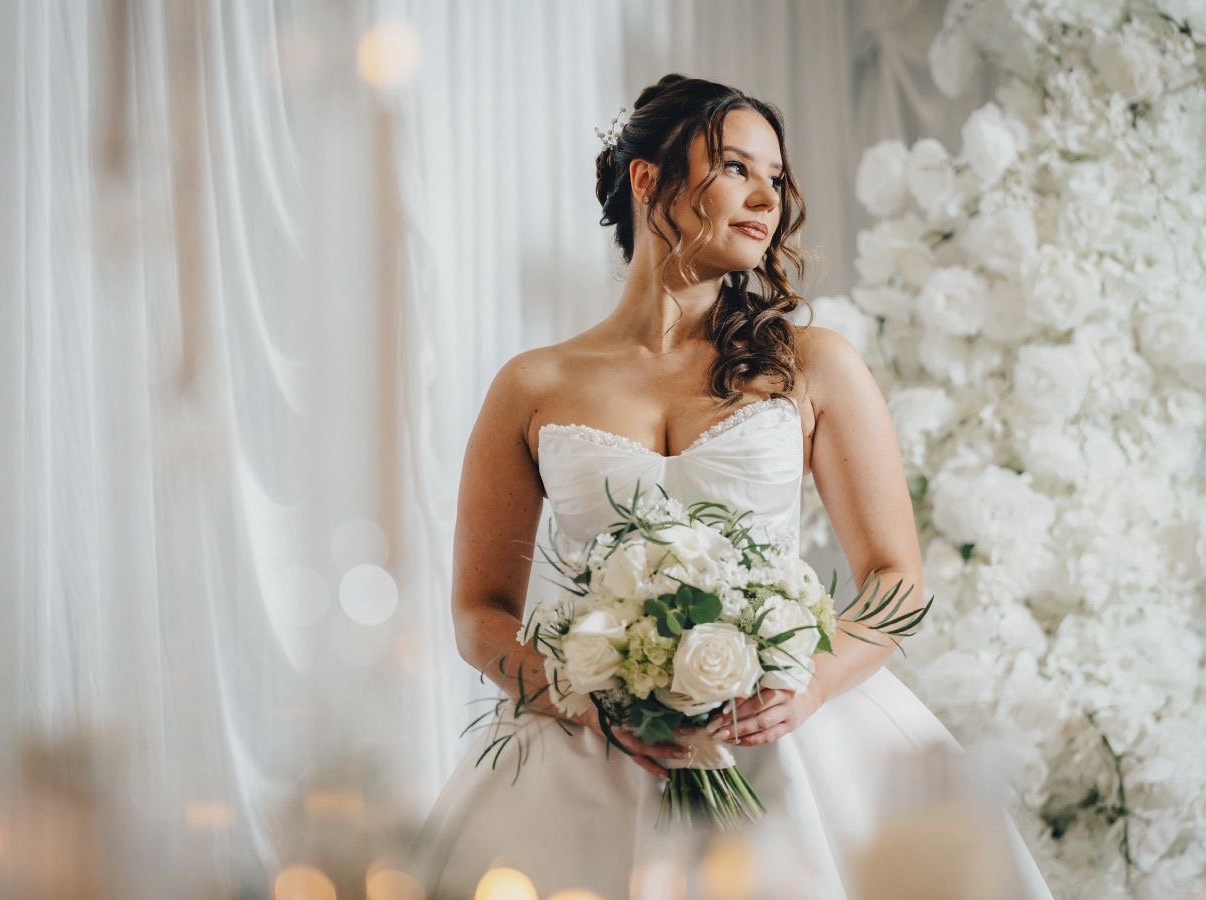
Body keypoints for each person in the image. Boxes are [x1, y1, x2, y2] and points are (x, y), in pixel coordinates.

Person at [415, 74, 1053, 899]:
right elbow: (479, 614)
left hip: (787, 740)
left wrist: (812, 680)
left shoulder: (814, 365)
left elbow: (899, 581)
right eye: (736, 168)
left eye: (777, 178)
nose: (766, 198)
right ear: (648, 181)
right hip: (582, 756)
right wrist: (583, 700)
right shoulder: (532, 384)